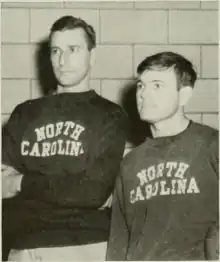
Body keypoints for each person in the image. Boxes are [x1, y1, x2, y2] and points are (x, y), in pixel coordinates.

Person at [2, 15, 128, 261]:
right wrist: (68, 185)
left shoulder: (109, 115)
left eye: (73, 50)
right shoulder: (25, 112)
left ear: (92, 56)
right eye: (55, 51)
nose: (62, 60)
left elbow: (92, 192)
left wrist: (21, 183)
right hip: (22, 244)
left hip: (84, 244)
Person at [106, 52, 219, 261]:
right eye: (141, 85)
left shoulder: (212, 146)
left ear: (184, 94)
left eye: (157, 85)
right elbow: (118, 243)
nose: (144, 94)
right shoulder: (130, 164)